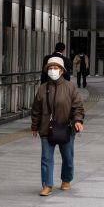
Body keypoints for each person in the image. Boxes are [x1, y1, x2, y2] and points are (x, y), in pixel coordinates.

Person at [31, 56, 85, 196]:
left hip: (66, 128)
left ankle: (66, 179)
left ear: (61, 70)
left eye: (55, 68)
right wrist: (34, 126)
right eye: (50, 68)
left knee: (67, 157)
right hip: (46, 128)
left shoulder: (70, 87)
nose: (52, 70)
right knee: (46, 158)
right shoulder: (42, 88)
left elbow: (78, 107)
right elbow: (36, 109)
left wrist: (78, 121)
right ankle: (47, 185)